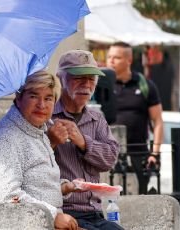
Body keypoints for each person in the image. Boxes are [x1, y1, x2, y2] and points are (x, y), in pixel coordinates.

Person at [0, 70, 80, 230]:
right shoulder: (6, 138)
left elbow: (34, 183)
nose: (41, 105)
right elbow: (8, 196)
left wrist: (64, 187)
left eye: (48, 98)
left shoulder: (37, 129)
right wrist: (53, 215)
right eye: (33, 96)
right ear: (18, 99)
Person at [47, 50, 123, 230]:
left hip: (95, 211)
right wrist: (52, 141)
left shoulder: (97, 119)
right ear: (60, 78)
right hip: (62, 211)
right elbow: (34, 161)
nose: (86, 85)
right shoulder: (48, 115)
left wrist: (83, 142)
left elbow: (110, 159)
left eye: (91, 79)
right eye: (78, 78)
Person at [106, 42, 163, 195]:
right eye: (109, 57)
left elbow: (157, 121)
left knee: (139, 196)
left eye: (116, 57)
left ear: (129, 60)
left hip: (138, 153)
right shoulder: (102, 85)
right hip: (108, 153)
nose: (111, 61)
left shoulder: (145, 85)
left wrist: (155, 153)